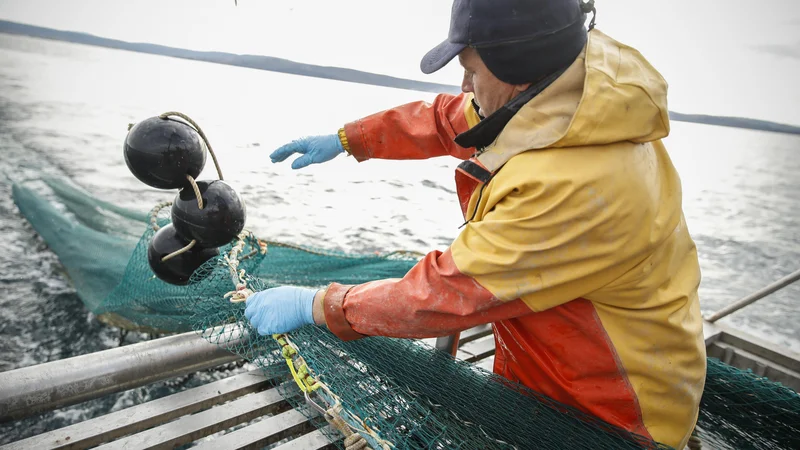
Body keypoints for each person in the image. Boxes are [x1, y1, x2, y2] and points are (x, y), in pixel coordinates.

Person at [244, 0, 707, 448]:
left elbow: (438, 298)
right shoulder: (567, 96)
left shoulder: (574, 186)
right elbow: (452, 121)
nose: (464, 84)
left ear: (516, 66)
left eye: (471, 67)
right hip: (569, 370)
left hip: (608, 417)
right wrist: (350, 139)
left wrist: (319, 304)